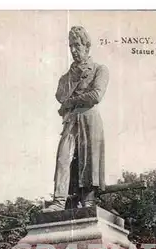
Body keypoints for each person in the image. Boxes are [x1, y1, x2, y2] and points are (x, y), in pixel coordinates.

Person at [46, 26, 109, 211]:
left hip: (89, 118)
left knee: (89, 161)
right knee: (63, 158)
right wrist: (74, 77)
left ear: (86, 46)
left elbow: (96, 95)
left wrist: (71, 101)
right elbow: (60, 96)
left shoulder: (99, 69)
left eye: (77, 45)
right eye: (71, 46)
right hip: (71, 120)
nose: (73, 50)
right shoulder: (66, 77)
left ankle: (88, 201)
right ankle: (59, 201)